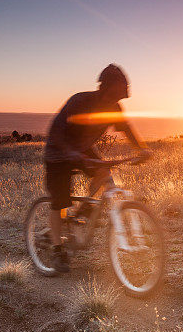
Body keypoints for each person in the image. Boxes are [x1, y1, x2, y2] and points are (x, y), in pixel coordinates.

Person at [44, 64, 150, 273]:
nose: (121, 95)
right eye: (119, 88)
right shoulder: (81, 101)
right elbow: (56, 132)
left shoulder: (115, 107)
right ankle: (57, 250)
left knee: (104, 174)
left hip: (81, 150)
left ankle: (84, 210)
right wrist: (70, 152)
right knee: (60, 201)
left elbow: (126, 128)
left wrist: (142, 149)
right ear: (106, 87)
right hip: (58, 152)